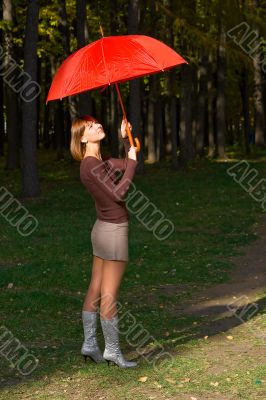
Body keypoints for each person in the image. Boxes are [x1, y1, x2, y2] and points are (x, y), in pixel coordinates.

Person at [70, 115, 138, 368]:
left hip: (101, 230)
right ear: (83, 138)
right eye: (90, 126)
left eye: (97, 122)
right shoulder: (90, 165)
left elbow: (120, 164)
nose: (97, 126)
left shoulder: (98, 161)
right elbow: (120, 193)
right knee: (109, 295)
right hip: (113, 232)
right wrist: (131, 163)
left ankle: (90, 344)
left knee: (96, 288)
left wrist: (125, 141)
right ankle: (112, 351)